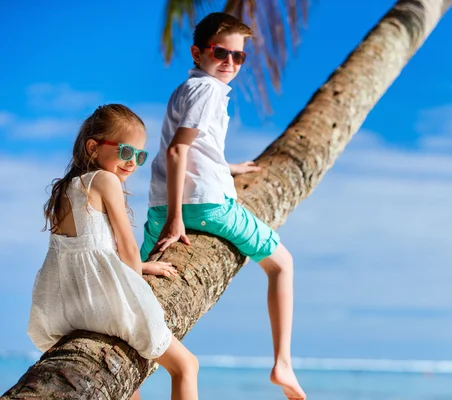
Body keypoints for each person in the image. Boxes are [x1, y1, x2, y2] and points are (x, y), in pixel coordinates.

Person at [140, 12, 306, 400]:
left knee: (143, 302)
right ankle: (282, 362)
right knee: (282, 264)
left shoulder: (188, 88)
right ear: (198, 53)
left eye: (239, 57)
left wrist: (226, 166)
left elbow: (191, 146)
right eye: (221, 53)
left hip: (159, 206)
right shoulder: (209, 91)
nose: (230, 63)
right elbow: (178, 148)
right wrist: (180, 219)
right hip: (204, 206)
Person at [28, 104, 199, 400]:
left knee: (128, 388)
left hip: (68, 305)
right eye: (125, 151)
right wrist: (138, 291)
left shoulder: (65, 189)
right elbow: (126, 245)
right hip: (103, 302)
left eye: (139, 155)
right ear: (93, 148)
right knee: (186, 366)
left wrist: (145, 267)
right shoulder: (105, 180)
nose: (132, 162)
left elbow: (87, 250)